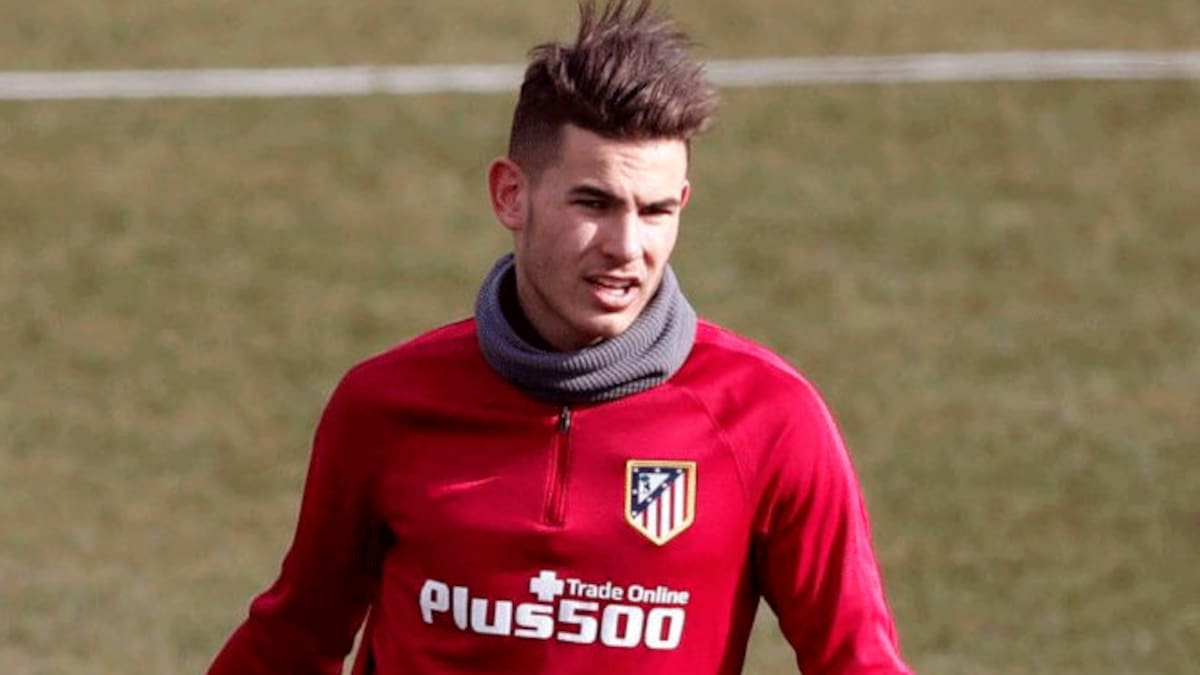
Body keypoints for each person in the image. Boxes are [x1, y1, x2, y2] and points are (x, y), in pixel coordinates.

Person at [207, 1, 912, 673]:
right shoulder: (385, 406)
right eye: (594, 203)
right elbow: (294, 640)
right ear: (510, 195)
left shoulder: (767, 418)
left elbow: (857, 661)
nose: (627, 247)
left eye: (656, 211)